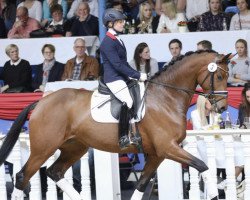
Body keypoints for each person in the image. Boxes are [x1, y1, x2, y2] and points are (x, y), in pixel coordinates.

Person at [100, 8, 147, 149]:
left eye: (122, 21)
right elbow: (117, 65)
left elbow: (125, 63)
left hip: (122, 76)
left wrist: (136, 74)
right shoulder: (107, 42)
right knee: (128, 100)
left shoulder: (117, 39)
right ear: (110, 24)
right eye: (119, 22)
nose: (122, 24)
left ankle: (135, 130)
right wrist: (138, 75)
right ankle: (123, 136)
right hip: (113, 78)